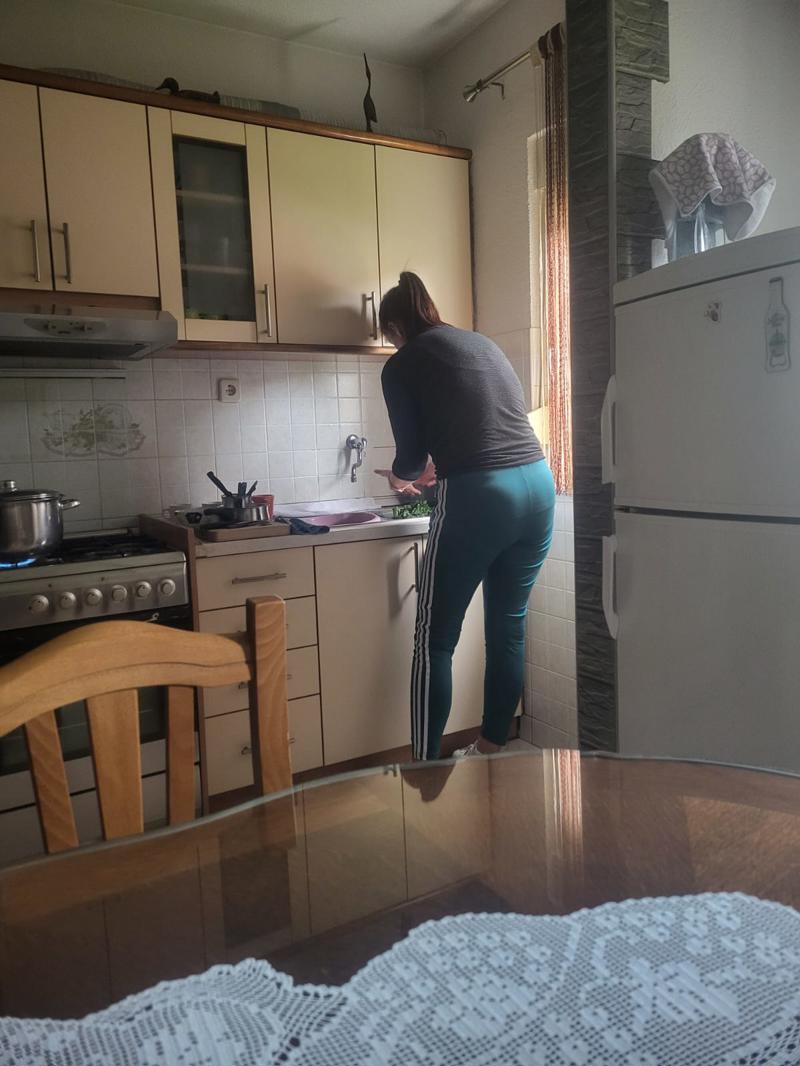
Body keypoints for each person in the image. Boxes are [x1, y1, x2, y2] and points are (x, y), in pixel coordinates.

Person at [376, 272, 555, 761]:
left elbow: (411, 458)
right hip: (538, 486)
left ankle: (425, 772)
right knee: (508, 628)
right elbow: (485, 428)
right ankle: (490, 751)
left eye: (389, 336)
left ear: (394, 327)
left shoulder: (402, 364)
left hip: (481, 496)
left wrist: (400, 477)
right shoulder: (480, 343)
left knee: (434, 641)